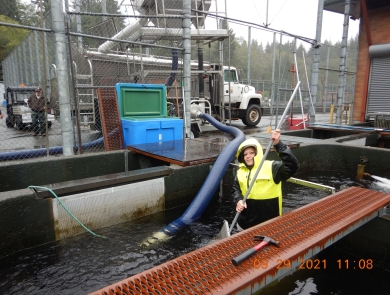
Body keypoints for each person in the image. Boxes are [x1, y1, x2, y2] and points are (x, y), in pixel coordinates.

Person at [231, 129, 300, 230]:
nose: (248, 156)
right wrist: (238, 200)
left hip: (269, 225)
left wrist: (278, 145)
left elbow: (293, 166)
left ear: (257, 153)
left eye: (251, 153)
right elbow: (235, 189)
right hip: (244, 225)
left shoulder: (272, 167)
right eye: (245, 154)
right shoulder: (240, 171)